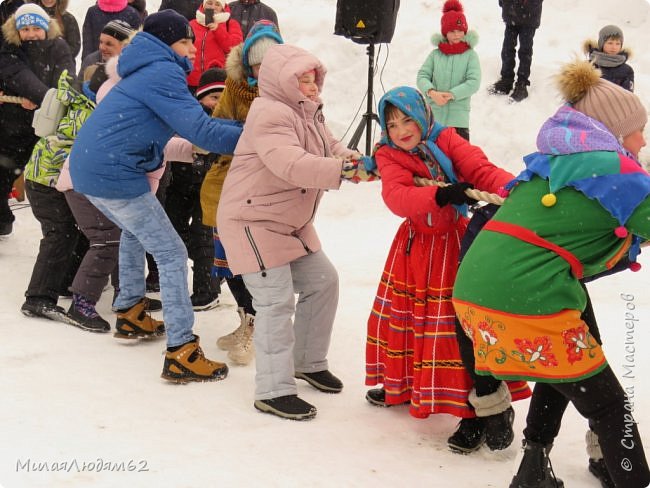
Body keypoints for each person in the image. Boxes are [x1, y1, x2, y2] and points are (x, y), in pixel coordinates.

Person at [453, 59, 649, 487]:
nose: (643, 139)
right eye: (638, 129)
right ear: (613, 133)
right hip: (527, 299)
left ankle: (533, 466)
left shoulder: (550, 166)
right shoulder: (620, 174)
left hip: (473, 300)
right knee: (610, 408)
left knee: (561, 366)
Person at [69, 9, 243, 383]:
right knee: (171, 251)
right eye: (186, 41)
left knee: (137, 231)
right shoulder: (162, 71)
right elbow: (201, 129)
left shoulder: (144, 68)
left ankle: (131, 311)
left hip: (93, 168)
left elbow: (184, 129)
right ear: (168, 43)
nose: (194, 48)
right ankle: (183, 350)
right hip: (113, 173)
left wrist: (227, 132)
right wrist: (258, 134)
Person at [364, 85, 530, 452]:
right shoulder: (388, 155)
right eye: (392, 124)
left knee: (453, 332)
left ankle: (472, 412)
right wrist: (438, 194)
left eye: (407, 119)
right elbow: (396, 196)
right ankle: (404, 384)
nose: (401, 129)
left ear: (423, 115)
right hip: (416, 248)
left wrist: (517, 189)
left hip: (454, 246)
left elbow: (480, 169)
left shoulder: (446, 138)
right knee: (409, 319)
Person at [217, 43, 366, 420]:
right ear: (282, 81)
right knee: (274, 302)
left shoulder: (308, 111)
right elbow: (290, 163)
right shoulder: (268, 113)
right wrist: (339, 172)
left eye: (313, 79)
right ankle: (273, 390)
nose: (312, 86)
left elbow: (331, 146)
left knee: (323, 281)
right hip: (253, 221)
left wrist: (356, 161)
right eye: (302, 80)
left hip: (288, 224)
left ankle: (307, 362)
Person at [202, 19, 283, 366]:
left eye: (269, 62)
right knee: (227, 260)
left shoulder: (287, 93)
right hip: (228, 182)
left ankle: (260, 325)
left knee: (255, 262)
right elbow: (217, 127)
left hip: (265, 190)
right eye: (256, 63)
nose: (261, 69)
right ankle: (246, 319)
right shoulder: (235, 88)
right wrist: (242, 135)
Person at [0, 3, 74, 238]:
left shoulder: (59, 47)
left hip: (48, 125)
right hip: (13, 125)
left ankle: (59, 229)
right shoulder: (10, 48)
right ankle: (3, 219)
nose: (31, 34)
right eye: (26, 29)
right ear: (17, 31)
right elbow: (17, 74)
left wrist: (45, 100)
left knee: (49, 180)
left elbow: (66, 80)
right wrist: (42, 96)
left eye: (36, 28)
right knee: (4, 171)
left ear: (46, 28)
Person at [162, 67, 228, 313]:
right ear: (200, 97)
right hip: (179, 185)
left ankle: (207, 290)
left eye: (223, 96)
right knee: (173, 231)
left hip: (210, 190)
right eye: (213, 97)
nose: (218, 102)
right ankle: (213, 264)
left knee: (203, 237)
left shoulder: (229, 121)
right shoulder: (187, 118)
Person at [416, 0, 479, 141]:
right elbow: (422, 76)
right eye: (452, 31)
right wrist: (432, 93)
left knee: (459, 161)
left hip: (459, 122)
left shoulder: (470, 55)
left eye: (460, 30)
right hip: (434, 120)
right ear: (445, 33)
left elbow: (473, 82)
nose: (457, 34)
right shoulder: (435, 55)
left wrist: (451, 94)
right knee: (432, 159)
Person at [488, 0, 543, 102]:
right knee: (507, 48)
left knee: (525, 51)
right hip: (511, 13)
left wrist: (529, 5)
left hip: (529, 17)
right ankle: (506, 79)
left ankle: (522, 84)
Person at [187, 0, 242, 92]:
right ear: (203, 5)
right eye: (209, 3)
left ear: (222, 8)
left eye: (217, 4)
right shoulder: (192, 24)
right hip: (191, 82)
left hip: (218, 81)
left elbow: (235, 49)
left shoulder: (231, 24)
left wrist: (218, 30)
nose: (213, 7)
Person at [584, 25, 634, 92]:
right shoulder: (588, 66)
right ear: (601, 44)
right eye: (610, 43)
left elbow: (628, 96)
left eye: (618, 44)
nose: (614, 47)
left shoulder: (627, 70)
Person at [33, 0, 80, 65]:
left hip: (63, 67)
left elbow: (74, 46)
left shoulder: (68, 18)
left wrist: (57, 58)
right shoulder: (30, 18)